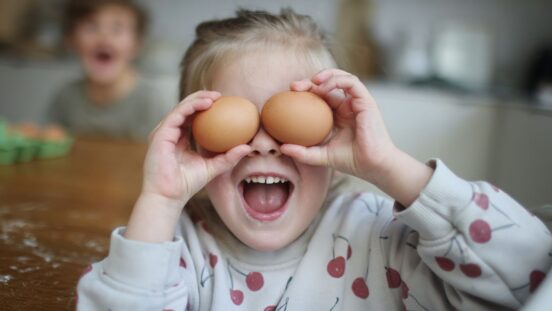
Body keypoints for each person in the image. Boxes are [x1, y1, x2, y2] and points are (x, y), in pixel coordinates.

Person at [77, 9, 552, 310]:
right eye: (236, 120)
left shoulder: (379, 239)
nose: (264, 144)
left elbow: (529, 273)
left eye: (289, 119)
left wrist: (389, 166)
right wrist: (159, 202)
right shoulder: (178, 251)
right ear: (194, 142)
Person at [47, 0, 166, 141]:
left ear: (137, 44)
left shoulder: (150, 102)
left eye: (117, 29)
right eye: (91, 27)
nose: (104, 37)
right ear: (71, 40)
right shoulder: (66, 98)